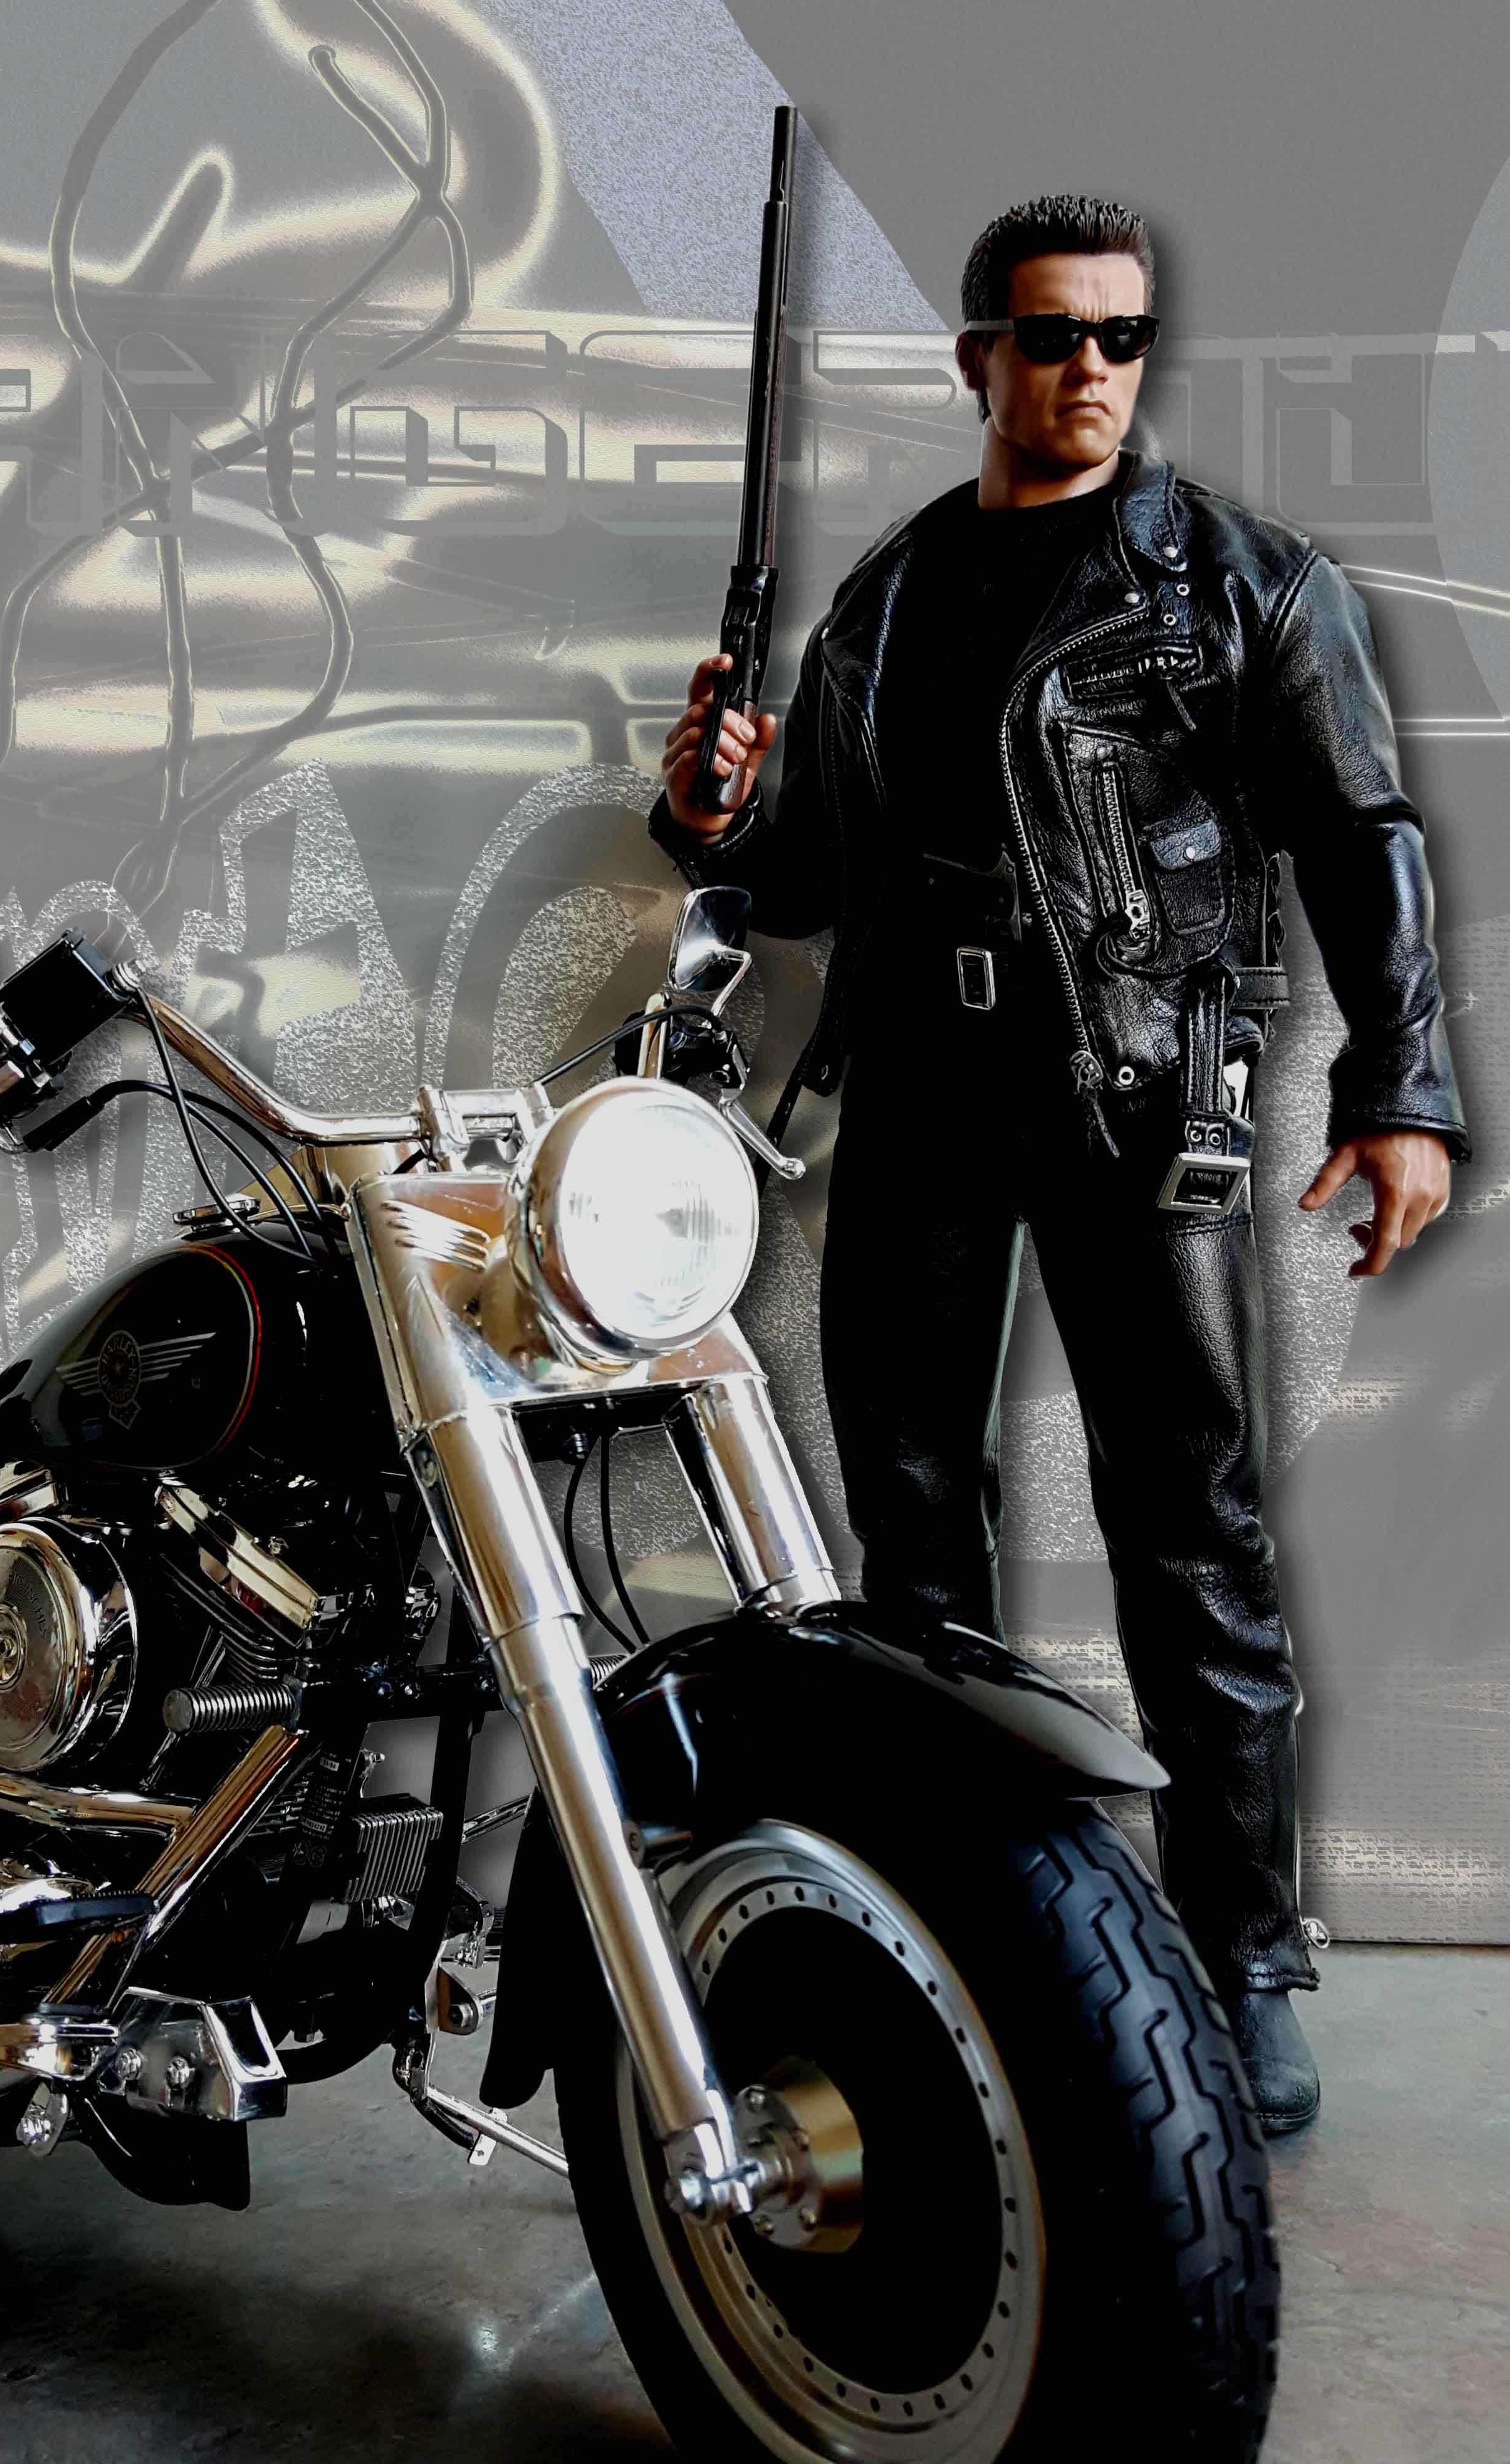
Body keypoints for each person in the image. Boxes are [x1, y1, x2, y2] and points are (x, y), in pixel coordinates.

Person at [648, 192, 1468, 2134]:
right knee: (912, 1525)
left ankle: (1242, 1957)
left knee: (1190, 1531)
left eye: (1119, 334)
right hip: (919, 1090)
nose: (1089, 368)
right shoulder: (892, 596)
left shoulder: (1236, 584)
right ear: (977, 360)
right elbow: (805, 879)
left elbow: (1363, 834)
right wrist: (708, 818)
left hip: (1135, 1099)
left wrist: (1403, 1089)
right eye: (1049, 335)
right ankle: (955, 1916)